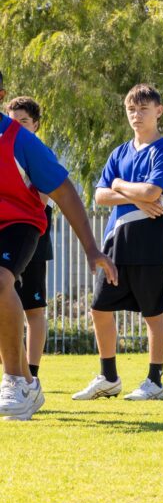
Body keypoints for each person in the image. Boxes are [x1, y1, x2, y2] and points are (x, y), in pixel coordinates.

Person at [0, 98, 117, 420]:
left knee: (0, 281)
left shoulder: (19, 140)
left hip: (19, 222)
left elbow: (64, 191)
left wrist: (91, 248)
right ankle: (29, 384)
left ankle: (14, 380)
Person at [72, 84, 163, 402]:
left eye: (143, 109)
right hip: (115, 245)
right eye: (131, 109)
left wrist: (119, 185)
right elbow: (99, 195)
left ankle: (154, 382)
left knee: (153, 315)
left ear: (159, 111)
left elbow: (152, 192)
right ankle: (108, 378)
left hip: (151, 247)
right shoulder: (119, 153)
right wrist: (132, 194)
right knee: (99, 309)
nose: (137, 115)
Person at [8, 97, 54, 380]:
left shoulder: (41, 154)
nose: (17, 126)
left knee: (33, 309)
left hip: (33, 236)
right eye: (12, 121)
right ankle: (12, 372)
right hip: (7, 235)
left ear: (35, 125)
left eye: (23, 121)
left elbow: (42, 198)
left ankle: (32, 374)